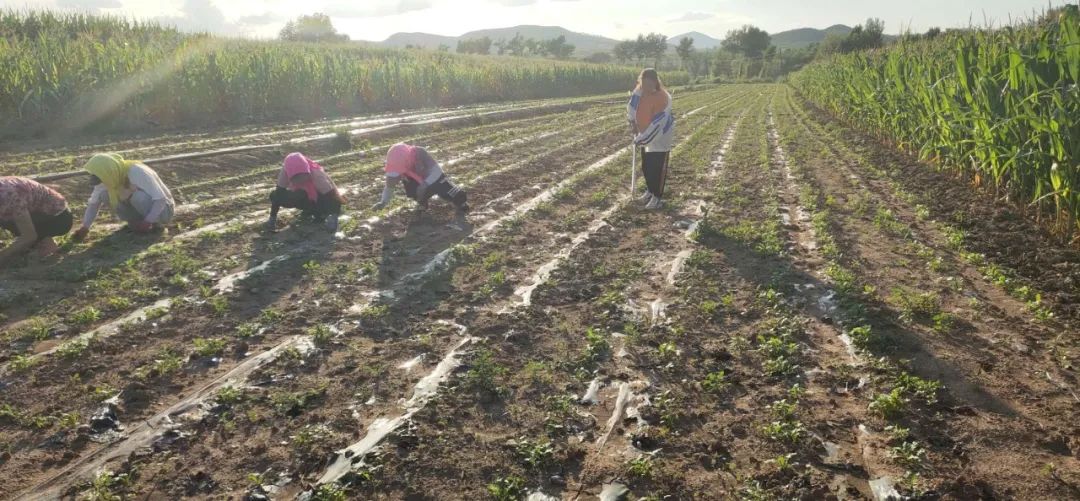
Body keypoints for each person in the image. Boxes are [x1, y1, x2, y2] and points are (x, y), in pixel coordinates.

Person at [73, 153, 175, 239]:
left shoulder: (137, 171)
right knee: (104, 195)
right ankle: (135, 223)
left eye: (102, 178)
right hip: (141, 212)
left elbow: (160, 199)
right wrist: (85, 227)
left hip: (164, 210)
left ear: (108, 172)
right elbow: (93, 204)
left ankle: (156, 225)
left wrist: (148, 221)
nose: (102, 182)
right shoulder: (107, 179)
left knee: (138, 197)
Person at [371, 143, 469, 223]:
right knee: (411, 187)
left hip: (435, 178)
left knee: (454, 194)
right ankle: (422, 203)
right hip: (418, 182)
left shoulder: (420, 152)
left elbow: (437, 171)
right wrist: (383, 202)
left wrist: (425, 184)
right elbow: (390, 185)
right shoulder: (395, 164)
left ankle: (461, 202)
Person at [627, 68, 675, 210]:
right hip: (643, 135)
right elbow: (631, 108)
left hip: (660, 138)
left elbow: (657, 125)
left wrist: (640, 139)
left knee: (657, 168)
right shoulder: (639, 92)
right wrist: (632, 123)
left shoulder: (662, 98)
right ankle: (649, 191)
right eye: (643, 83)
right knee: (646, 167)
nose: (645, 87)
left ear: (655, 82)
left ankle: (657, 198)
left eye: (649, 84)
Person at [0, 176, 73, 266]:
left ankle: (44, 243)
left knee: (8, 221)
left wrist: (3, 255)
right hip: (39, 212)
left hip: (59, 219)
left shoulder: (8, 196)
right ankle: (37, 243)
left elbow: (29, 236)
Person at [266, 152, 345, 232]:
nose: (301, 180)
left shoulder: (316, 174)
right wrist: (272, 218)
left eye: (303, 176)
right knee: (275, 195)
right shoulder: (286, 170)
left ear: (307, 171)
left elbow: (332, 195)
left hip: (319, 199)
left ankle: (319, 213)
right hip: (303, 197)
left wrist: (333, 217)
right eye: (297, 178)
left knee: (324, 202)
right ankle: (308, 210)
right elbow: (279, 193)